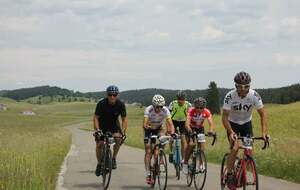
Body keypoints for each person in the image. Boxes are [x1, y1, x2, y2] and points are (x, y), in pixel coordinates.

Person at [222, 71, 268, 190]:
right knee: (235, 147)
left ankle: (241, 169)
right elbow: (224, 117)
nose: (243, 89)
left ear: (249, 85)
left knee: (248, 152)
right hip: (232, 124)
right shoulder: (230, 96)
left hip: (246, 124)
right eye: (240, 86)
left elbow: (263, 114)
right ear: (236, 86)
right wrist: (231, 132)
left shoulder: (254, 95)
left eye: (246, 86)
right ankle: (230, 174)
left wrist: (263, 133)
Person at [93, 85, 128, 176]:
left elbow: (124, 119)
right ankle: (99, 164)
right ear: (107, 95)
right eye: (110, 94)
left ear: (117, 95)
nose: (112, 97)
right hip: (102, 126)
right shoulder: (101, 103)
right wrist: (97, 130)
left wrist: (123, 131)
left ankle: (113, 158)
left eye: (114, 95)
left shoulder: (120, 104)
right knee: (99, 144)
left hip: (114, 126)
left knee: (118, 139)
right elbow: (96, 118)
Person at [143, 94, 175, 184]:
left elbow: (170, 123)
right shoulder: (149, 109)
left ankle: (160, 154)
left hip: (159, 128)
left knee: (163, 137)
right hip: (148, 129)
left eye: (161, 106)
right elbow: (144, 124)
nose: (159, 109)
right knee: (148, 150)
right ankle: (148, 173)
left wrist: (172, 132)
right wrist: (147, 126)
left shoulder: (165, 110)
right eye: (157, 107)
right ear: (153, 105)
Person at [182, 97, 216, 175]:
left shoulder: (206, 111)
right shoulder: (191, 111)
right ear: (194, 106)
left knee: (202, 147)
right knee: (191, 144)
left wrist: (211, 130)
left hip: (200, 128)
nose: (199, 109)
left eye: (201, 108)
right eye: (197, 107)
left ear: (204, 108)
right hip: (190, 128)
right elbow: (187, 123)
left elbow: (211, 123)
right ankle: (185, 162)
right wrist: (190, 131)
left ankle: (201, 164)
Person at [168, 90, 192, 163]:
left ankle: (183, 158)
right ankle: (171, 152)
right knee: (171, 138)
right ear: (177, 99)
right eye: (179, 99)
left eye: (182, 99)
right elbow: (167, 117)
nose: (180, 101)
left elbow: (190, 117)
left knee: (183, 140)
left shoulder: (188, 105)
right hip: (173, 121)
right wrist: (169, 128)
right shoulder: (172, 104)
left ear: (185, 99)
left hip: (183, 122)